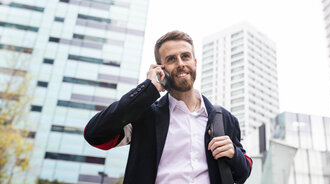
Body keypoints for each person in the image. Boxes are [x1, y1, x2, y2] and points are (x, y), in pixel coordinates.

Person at [84, 30, 252, 184]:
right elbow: (95, 135)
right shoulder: (145, 116)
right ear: (160, 69)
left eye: (185, 56)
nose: (180, 64)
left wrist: (234, 155)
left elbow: (242, 172)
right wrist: (147, 89)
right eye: (171, 59)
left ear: (194, 62)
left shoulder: (223, 118)